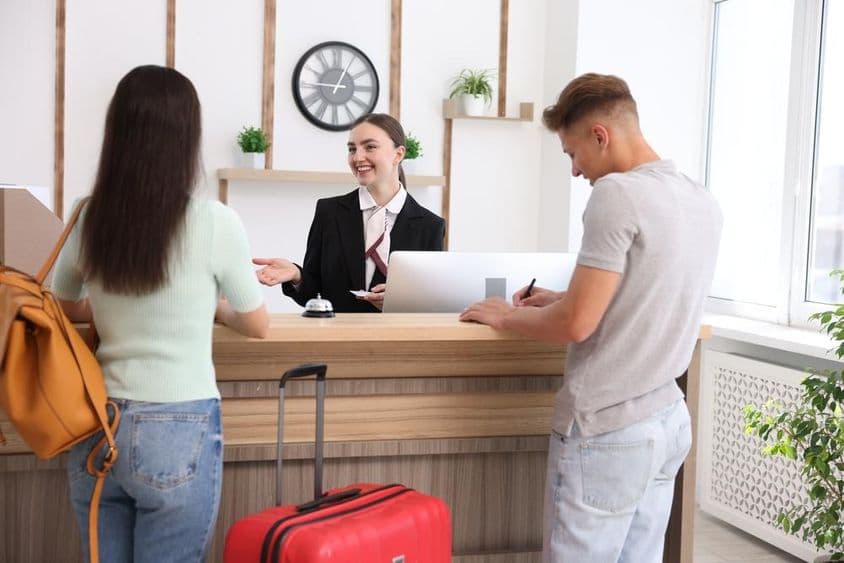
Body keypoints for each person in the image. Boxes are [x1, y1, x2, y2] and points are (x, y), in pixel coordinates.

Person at [459, 73, 722, 562]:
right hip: (667, 420)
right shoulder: (700, 200)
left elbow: (575, 326)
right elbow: (647, 295)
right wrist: (563, 297)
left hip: (609, 426)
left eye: (573, 154)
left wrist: (503, 317)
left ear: (600, 135)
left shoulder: (617, 194)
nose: (576, 171)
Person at [52, 65, 269, 562]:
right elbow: (256, 323)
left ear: (119, 132)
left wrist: (110, 309)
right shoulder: (215, 221)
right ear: (187, 135)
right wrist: (208, 308)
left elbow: (63, 304)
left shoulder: (90, 213)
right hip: (179, 422)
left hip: (95, 420)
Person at [253, 113, 445, 312]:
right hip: (337, 339)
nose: (357, 157)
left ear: (398, 154)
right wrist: (297, 276)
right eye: (352, 149)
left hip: (397, 340)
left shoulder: (430, 226)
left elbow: (431, 302)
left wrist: (399, 301)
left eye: (370, 147)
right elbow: (313, 294)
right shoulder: (329, 213)